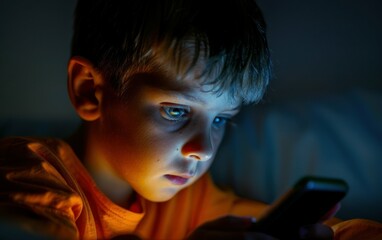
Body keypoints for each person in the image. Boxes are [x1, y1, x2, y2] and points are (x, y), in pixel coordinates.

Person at [0, 0, 381, 239]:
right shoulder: (29, 176)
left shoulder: (188, 200)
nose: (203, 150)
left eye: (220, 120)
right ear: (89, 90)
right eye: (176, 111)